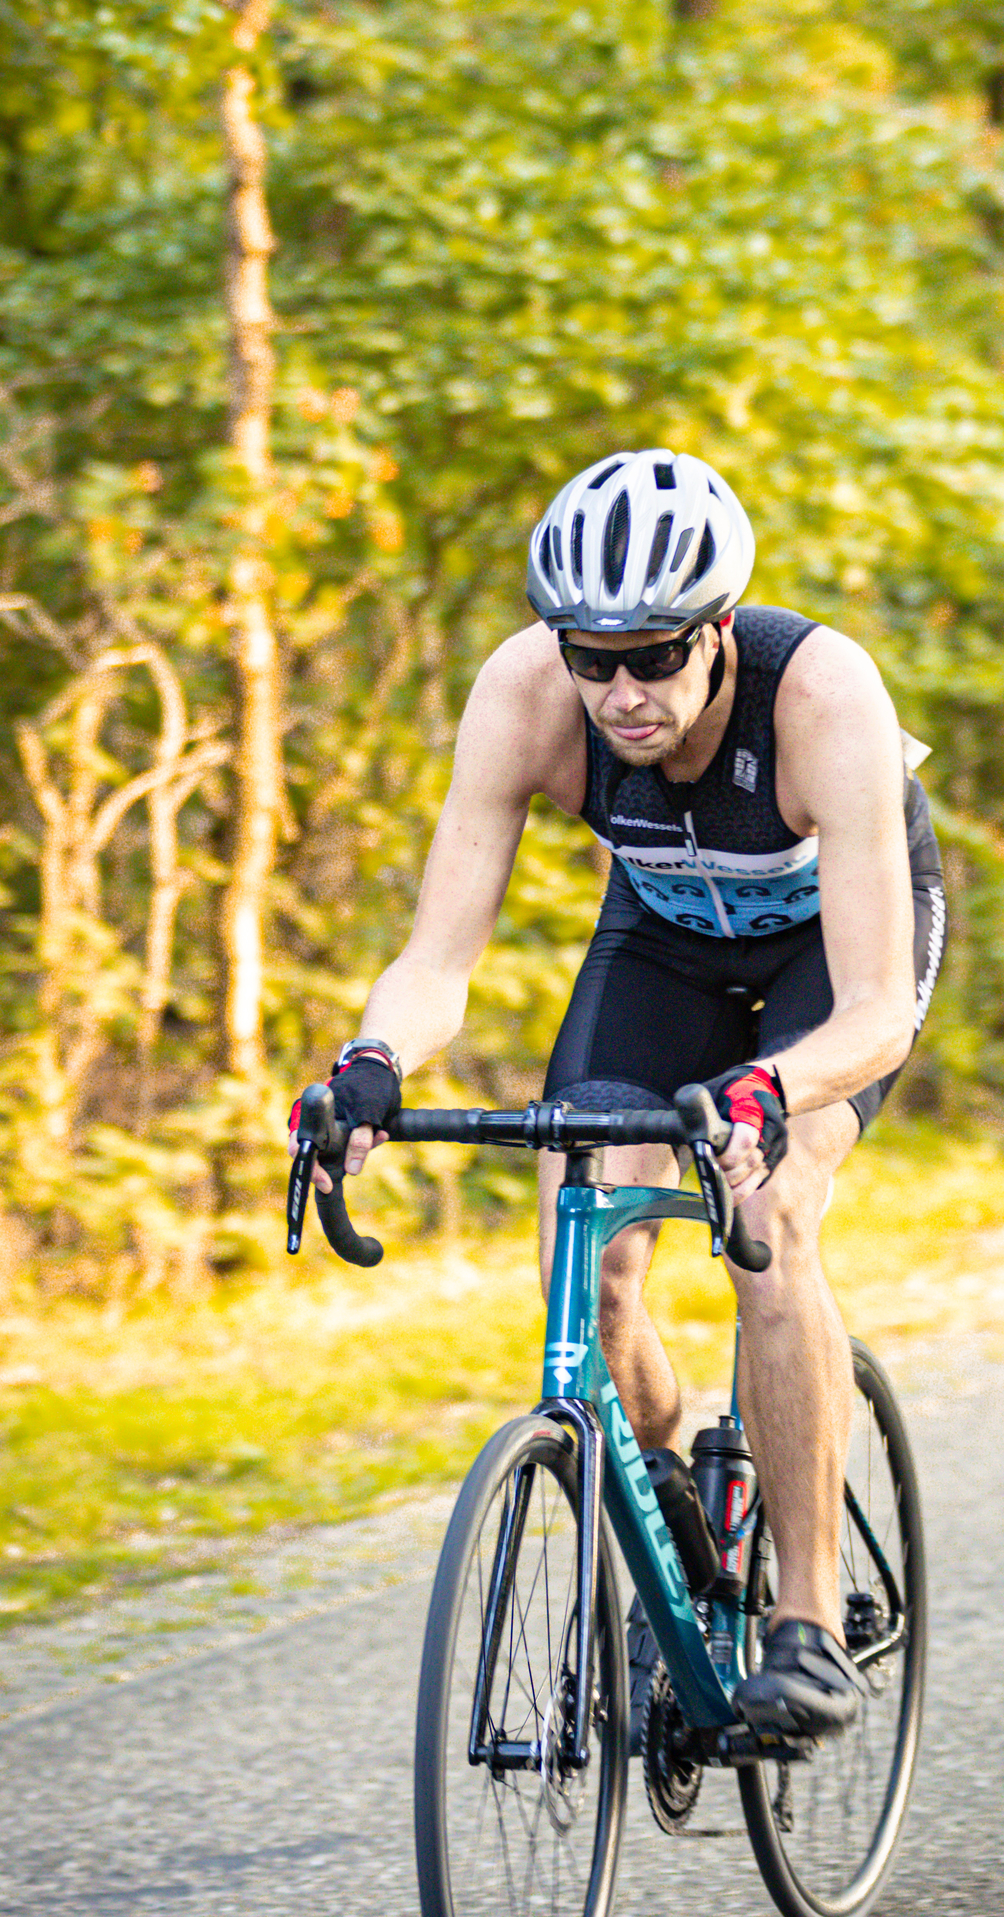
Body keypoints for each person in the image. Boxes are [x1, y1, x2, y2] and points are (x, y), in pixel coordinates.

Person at [301, 450, 945, 1738]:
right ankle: (667, 1521)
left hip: (831, 960)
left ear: (714, 632)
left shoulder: (821, 695)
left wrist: (769, 1092)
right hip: (660, 945)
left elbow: (876, 1011)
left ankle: (807, 1626)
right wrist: (368, 1066)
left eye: (652, 655)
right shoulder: (525, 694)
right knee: (583, 1266)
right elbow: (438, 960)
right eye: (591, 657)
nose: (620, 691)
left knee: (773, 1227)